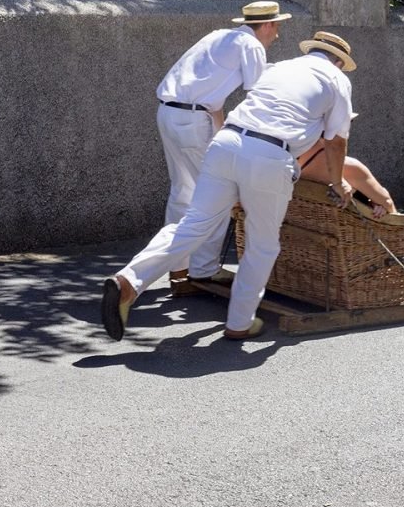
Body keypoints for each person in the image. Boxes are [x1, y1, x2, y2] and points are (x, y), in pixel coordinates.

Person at [102, 31, 357, 341]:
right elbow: (336, 140)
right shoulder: (336, 79)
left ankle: (129, 280)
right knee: (262, 245)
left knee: (193, 224)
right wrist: (337, 181)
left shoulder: (279, 67)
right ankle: (239, 322)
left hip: (226, 142)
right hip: (270, 154)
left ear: (311, 51)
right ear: (339, 61)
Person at [152, 0, 290, 295]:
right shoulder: (252, 46)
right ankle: (203, 270)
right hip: (192, 120)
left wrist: (220, 131)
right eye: (277, 26)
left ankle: (178, 269)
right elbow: (258, 95)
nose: (277, 34)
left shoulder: (219, 36)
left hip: (169, 113)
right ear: (266, 25)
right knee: (218, 193)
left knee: (183, 192)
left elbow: (212, 94)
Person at [293, 142, 404, 261]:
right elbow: (388, 203)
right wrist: (377, 203)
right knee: (401, 229)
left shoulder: (289, 163)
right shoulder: (349, 166)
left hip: (310, 243)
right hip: (358, 239)